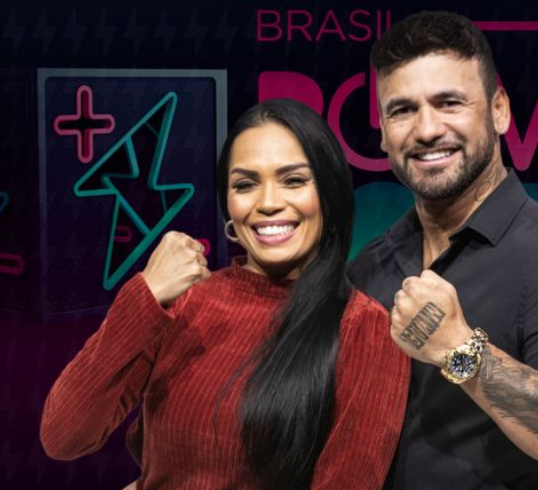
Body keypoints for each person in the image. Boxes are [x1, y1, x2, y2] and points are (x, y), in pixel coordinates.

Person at [40, 98, 410, 490]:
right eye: (245, 184)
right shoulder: (184, 302)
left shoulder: (363, 328)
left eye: (293, 180)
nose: (268, 203)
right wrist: (145, 293)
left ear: (330, 194)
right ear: (228, 204)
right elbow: (64, 436)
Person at [347, 11, 538, 490]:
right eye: (402, 110)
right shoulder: (369, 265)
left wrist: (461, 352)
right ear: (381, 131)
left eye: (449, 103)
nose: (426, 129)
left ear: (499, 110)